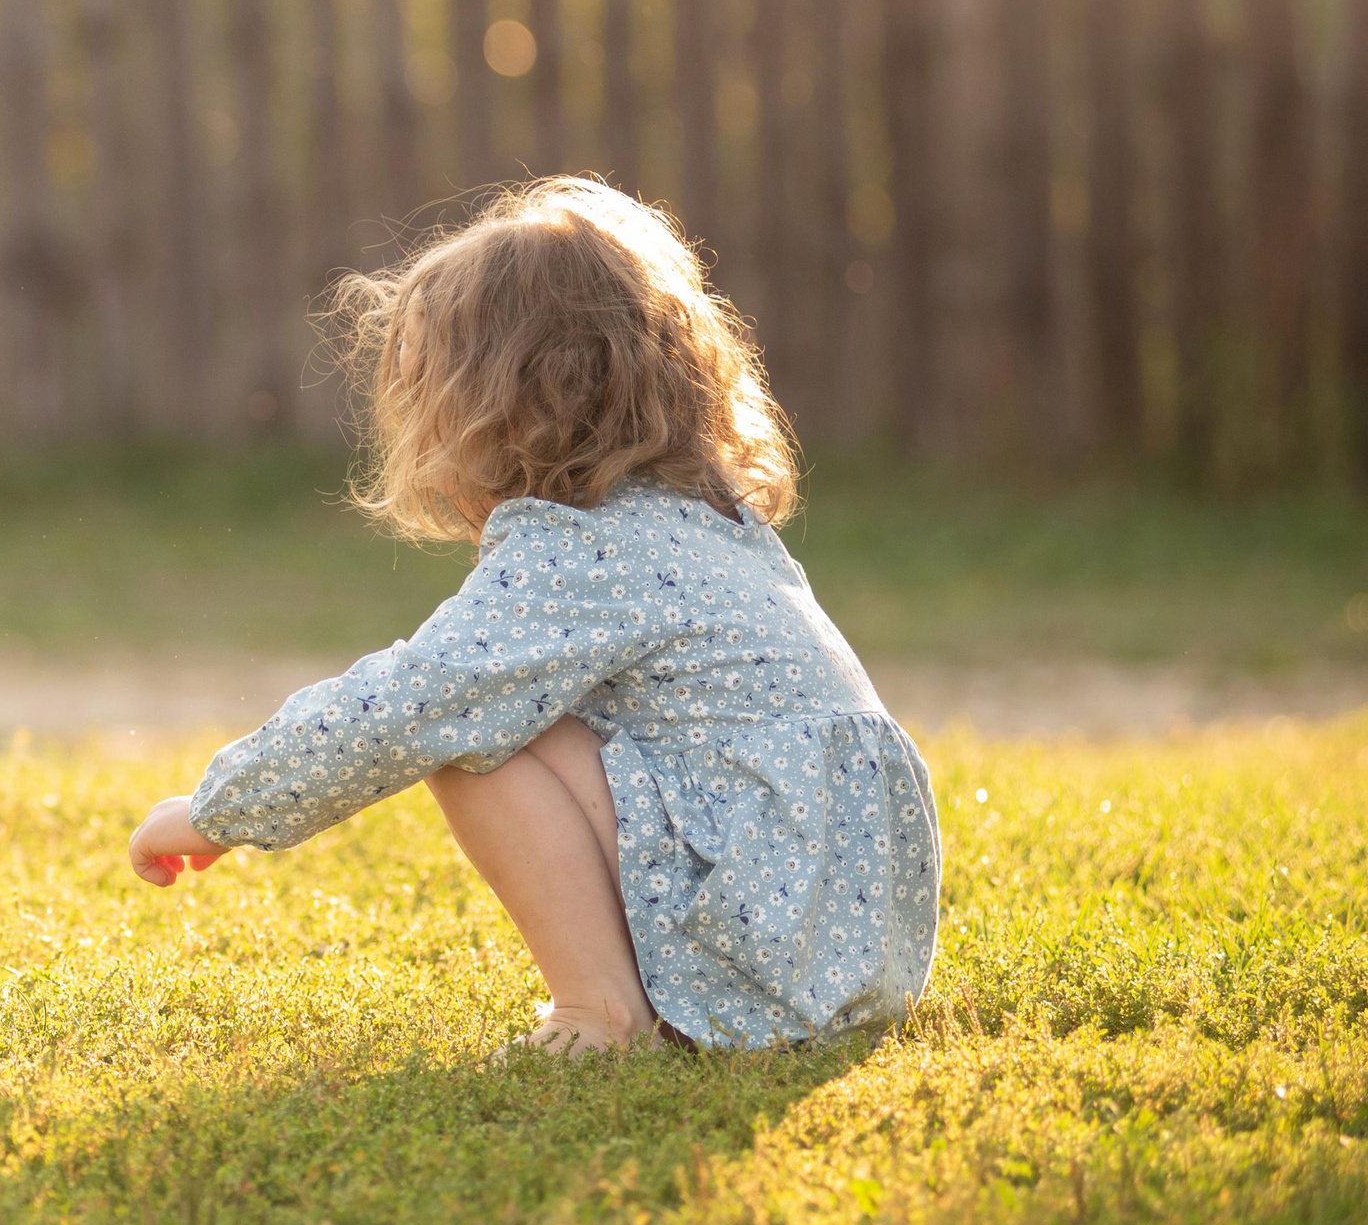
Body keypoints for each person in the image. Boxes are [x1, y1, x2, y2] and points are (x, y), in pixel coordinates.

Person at [126, 178, 941, 1055]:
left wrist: (218, 809)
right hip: (859, 941)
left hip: (774, 934)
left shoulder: (579, 547)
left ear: (488, 406)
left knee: (468, 732)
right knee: (504, 708)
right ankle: (660, 1002)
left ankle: (602, 1015)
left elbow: (407, 704)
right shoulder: (708, 515)